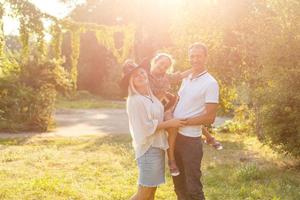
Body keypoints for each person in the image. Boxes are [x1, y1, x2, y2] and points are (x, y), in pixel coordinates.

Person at [146, 53, 223, 176]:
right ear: (154, 61)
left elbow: (180, 76)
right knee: (174, 126)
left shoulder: (166, 76)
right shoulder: (145, 77)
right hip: (158, 107)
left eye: (166, 66)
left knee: (185, 112)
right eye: (161, 64)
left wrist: (196, 67)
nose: (162, 67)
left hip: (168, 101)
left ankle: (209, 138)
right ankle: (171, 160)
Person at [119, 60, 187, 200]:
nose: (141, 75)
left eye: (142, 72)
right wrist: (170, 123)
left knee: (150, 193)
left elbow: (160, 115)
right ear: (131, 82)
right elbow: (145, 127)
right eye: (136, 75)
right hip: (148, 149)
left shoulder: (150, 98)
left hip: (157, 147)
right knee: (143, 194)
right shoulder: (135, 100)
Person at [172, 42, 220, 200]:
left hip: (190, 141)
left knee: (193, 187)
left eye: (199, 56)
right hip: (174, 137)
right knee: (179, 185)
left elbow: (209, 117)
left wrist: (183, 122)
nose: (195, 59)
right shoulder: (187, 78)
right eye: (192, 56)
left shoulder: (211, 83)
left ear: (206, 57)